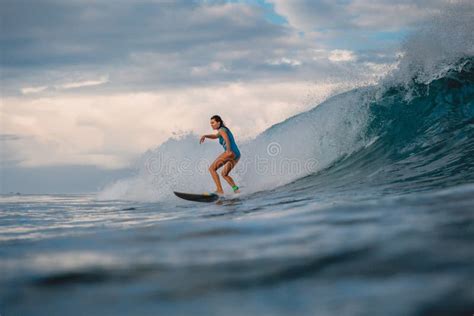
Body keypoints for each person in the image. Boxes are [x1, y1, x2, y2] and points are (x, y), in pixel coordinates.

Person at [200, 115, 241, 195]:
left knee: (212, 169)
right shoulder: (222, 130)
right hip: (237, 154)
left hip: (230, 152)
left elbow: (227, 139)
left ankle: (219, 190)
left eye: (213, 123)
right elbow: (215, 136)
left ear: (218, 122)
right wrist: (206, 136)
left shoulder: (222, 130)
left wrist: (228, 151)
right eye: (210, 123)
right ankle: (236, 189)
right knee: (224, 174)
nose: (211, 124)